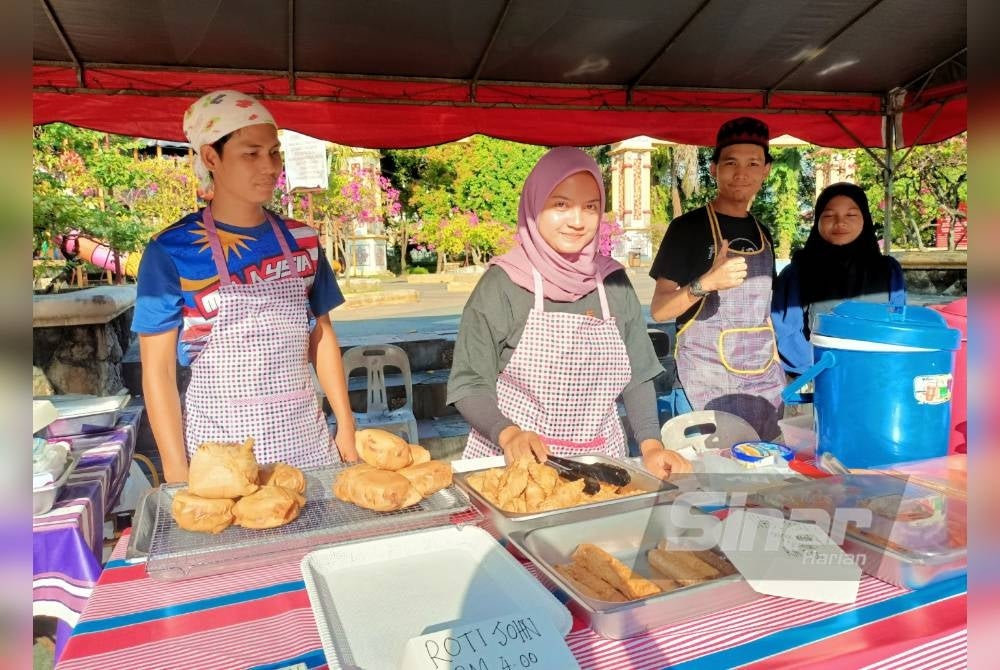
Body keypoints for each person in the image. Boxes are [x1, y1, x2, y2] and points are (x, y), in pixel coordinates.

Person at [132, 90, 357, 483]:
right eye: (251, 154)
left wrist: (347, 425)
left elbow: (321, 336)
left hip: (306, 442)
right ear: (211, 158)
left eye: (274, 153)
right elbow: (159, 371)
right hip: (222, 457)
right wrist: (176, 469)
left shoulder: (303, 241)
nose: (269, 167)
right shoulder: (171, 251)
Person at [446, 147, 691, 479]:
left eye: (590, 207)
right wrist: (507, 433)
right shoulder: (502, 284)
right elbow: (470, 383)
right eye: (560, 205)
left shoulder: (613, 282)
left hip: (600, 463)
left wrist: (651, 445)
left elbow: (637, 375)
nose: (577, 221)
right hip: (516, 466)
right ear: (534, 205)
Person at [648, 117, 784, 440]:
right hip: (703, 385)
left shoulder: (764, 234)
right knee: (707, 473)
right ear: (714, 169)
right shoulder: (687, 229)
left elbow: (764, 315)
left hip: (763, 387)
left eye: (753, 163)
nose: (741, 173)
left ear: (766, 170)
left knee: (763, 471)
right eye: (731, 163)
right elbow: (659, 310)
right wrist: (706, 283)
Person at [772, 182, 906, 375]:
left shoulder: (888, 270)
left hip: (877, 375)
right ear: (817, 221)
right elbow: (786, 333)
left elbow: (898, 324)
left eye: (851, 215)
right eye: (828, 215)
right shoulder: (797, 273)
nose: (840, 223)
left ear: (865, 219)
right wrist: (825, 370)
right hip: (817, 377)